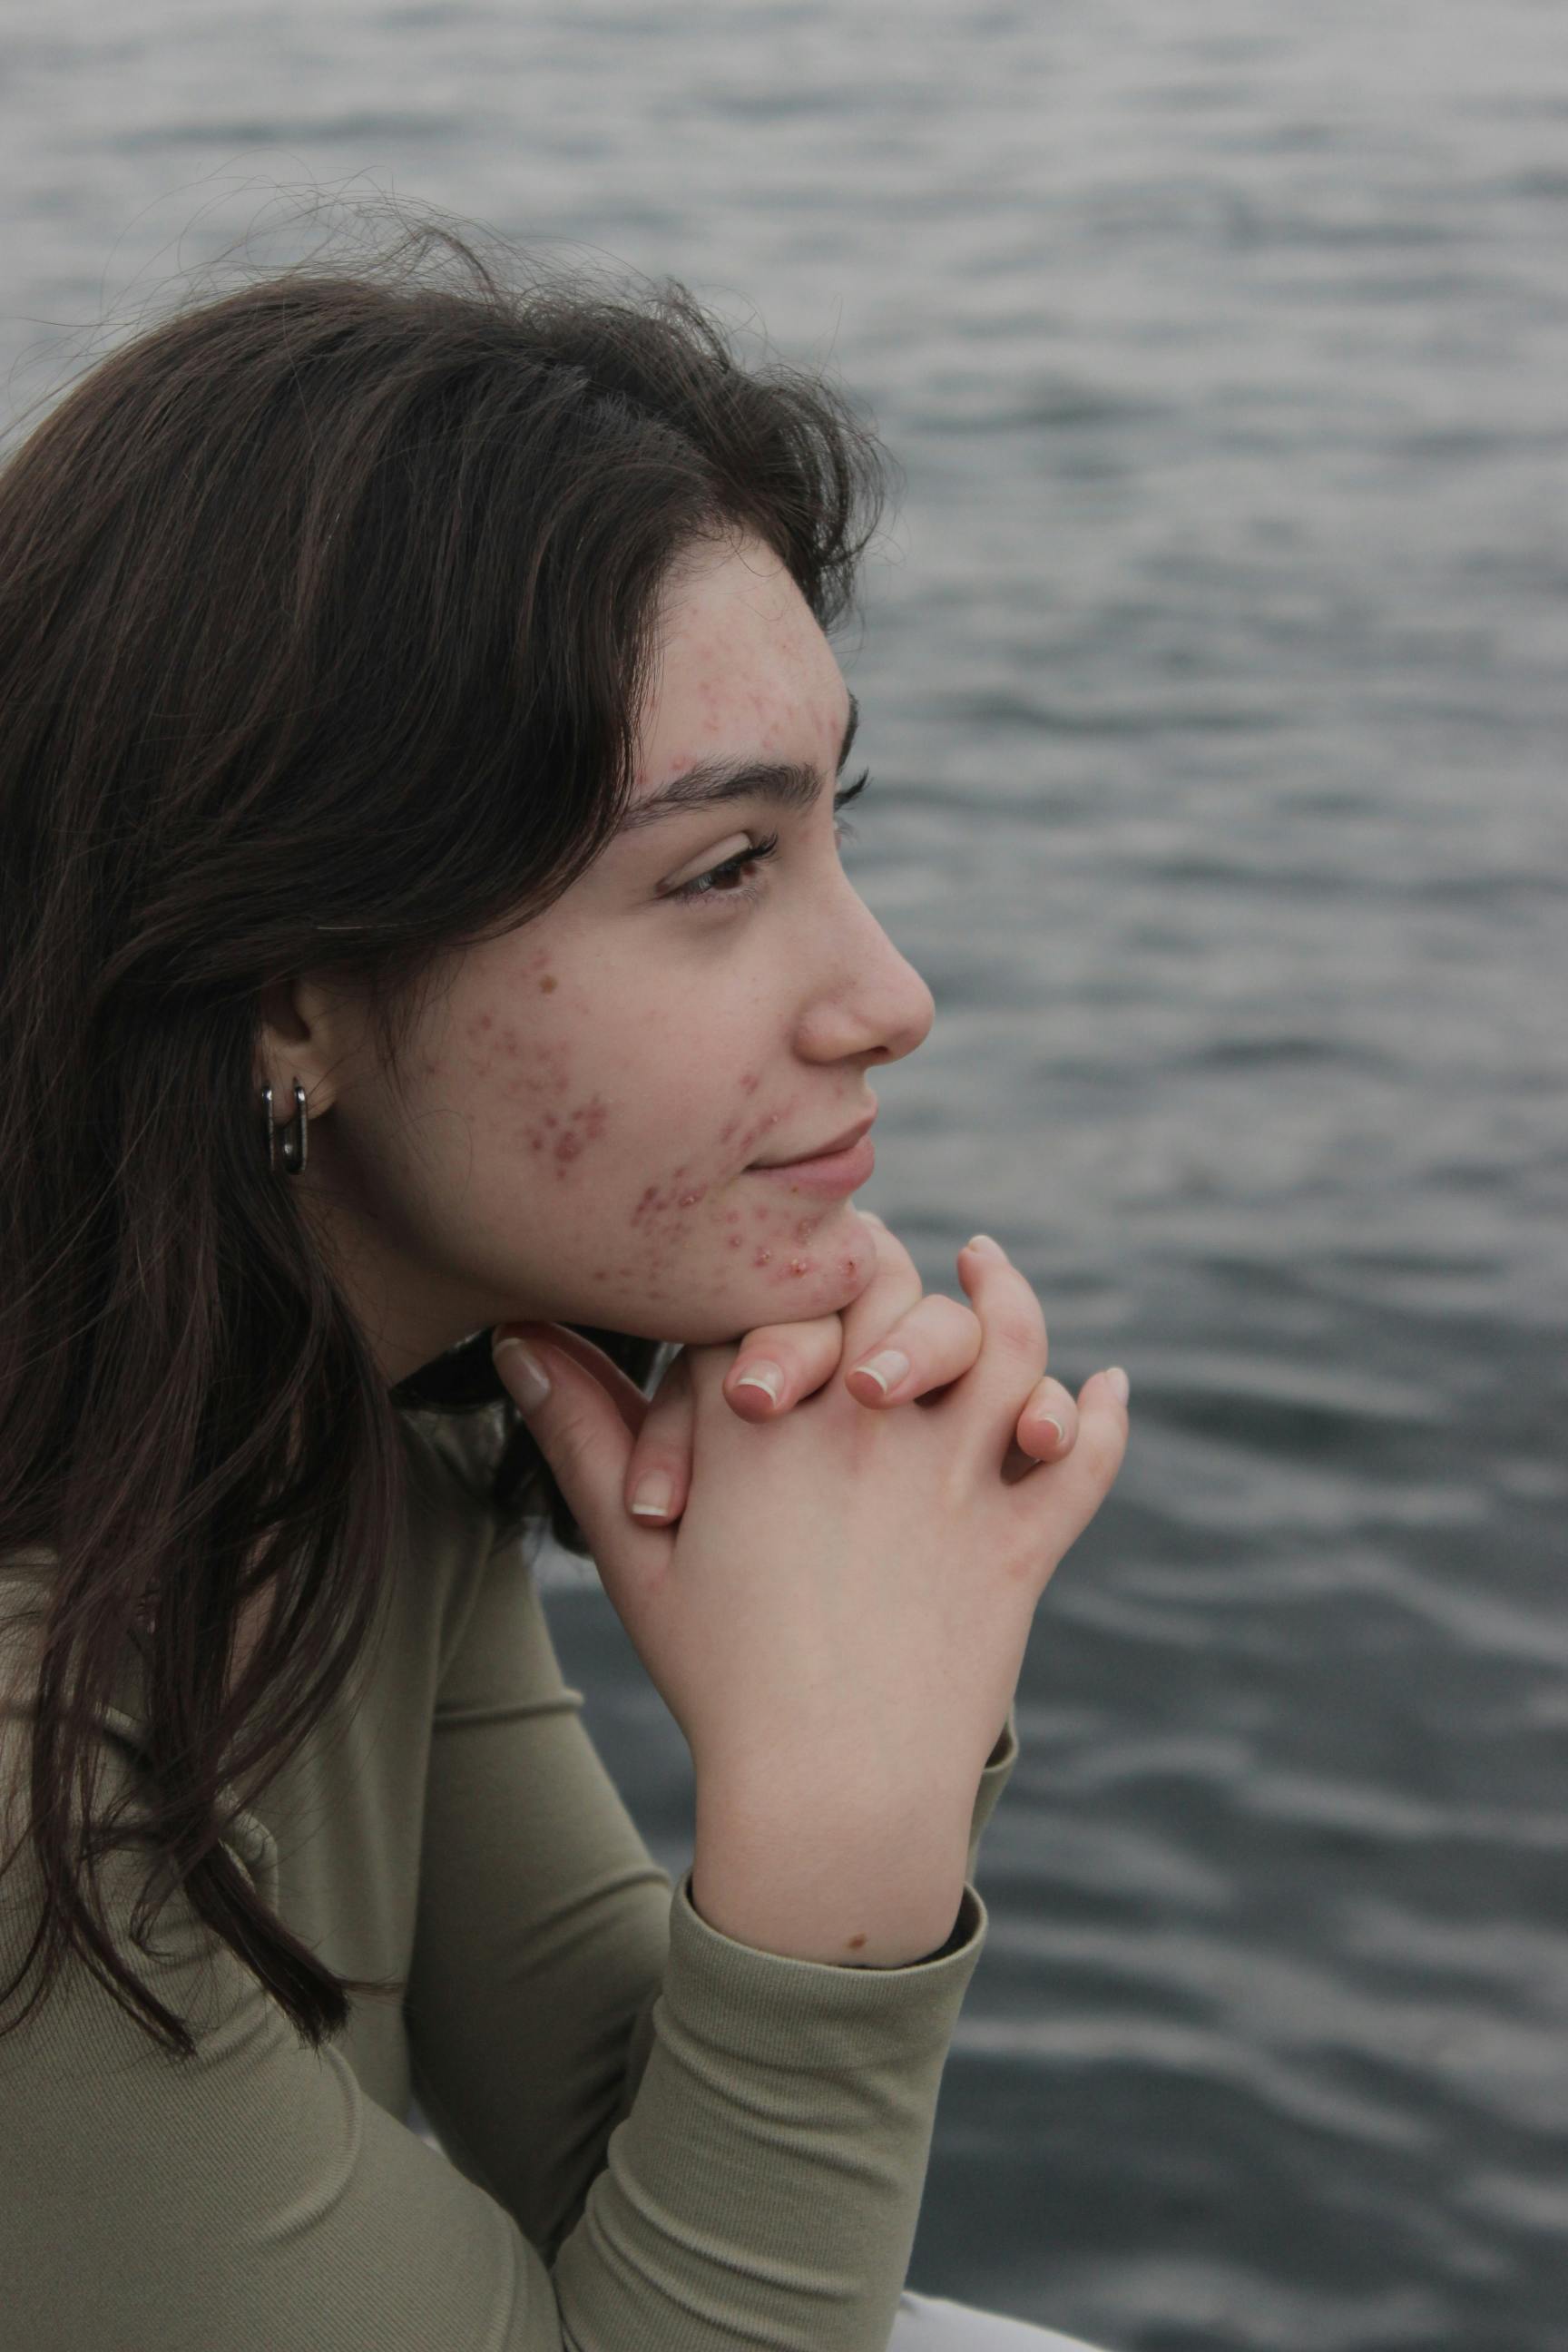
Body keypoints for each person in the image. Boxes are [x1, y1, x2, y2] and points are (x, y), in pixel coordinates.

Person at [0, 215, 1128, 2350]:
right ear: (294, 1000)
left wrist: (872, 1689)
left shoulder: (341, 1436)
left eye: (834, 827)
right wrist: (845, 1809)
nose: (890, 994)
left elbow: (648, 2158)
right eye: (722, 868)